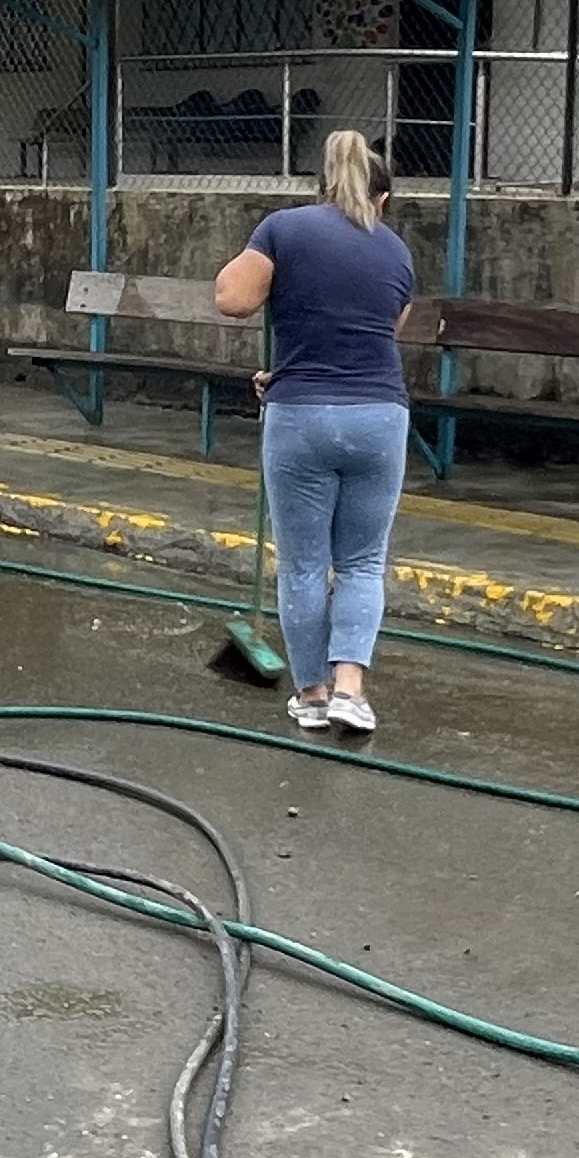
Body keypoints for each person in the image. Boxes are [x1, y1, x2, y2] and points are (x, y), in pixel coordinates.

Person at [214, 131, 419, 733]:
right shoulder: (398, 251)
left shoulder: (284, 228)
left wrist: (264, 254)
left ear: (320, 185)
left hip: (301, 416)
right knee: (362, 562)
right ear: (382, 198)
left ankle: (311, 695)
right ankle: (351, 689)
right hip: (379, 418)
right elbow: (380, 332)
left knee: (304, 565)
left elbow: (232, 299)